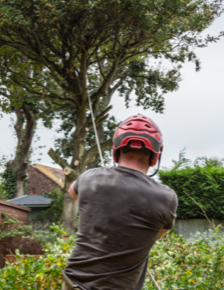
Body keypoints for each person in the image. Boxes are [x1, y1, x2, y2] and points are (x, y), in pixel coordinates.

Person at [62, 114, 178, 290]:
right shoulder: (166, 198)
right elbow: (158, 233)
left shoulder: (89, 178)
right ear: (155, 156)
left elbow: (73, 193)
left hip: (73, 285)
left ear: (116, 150)